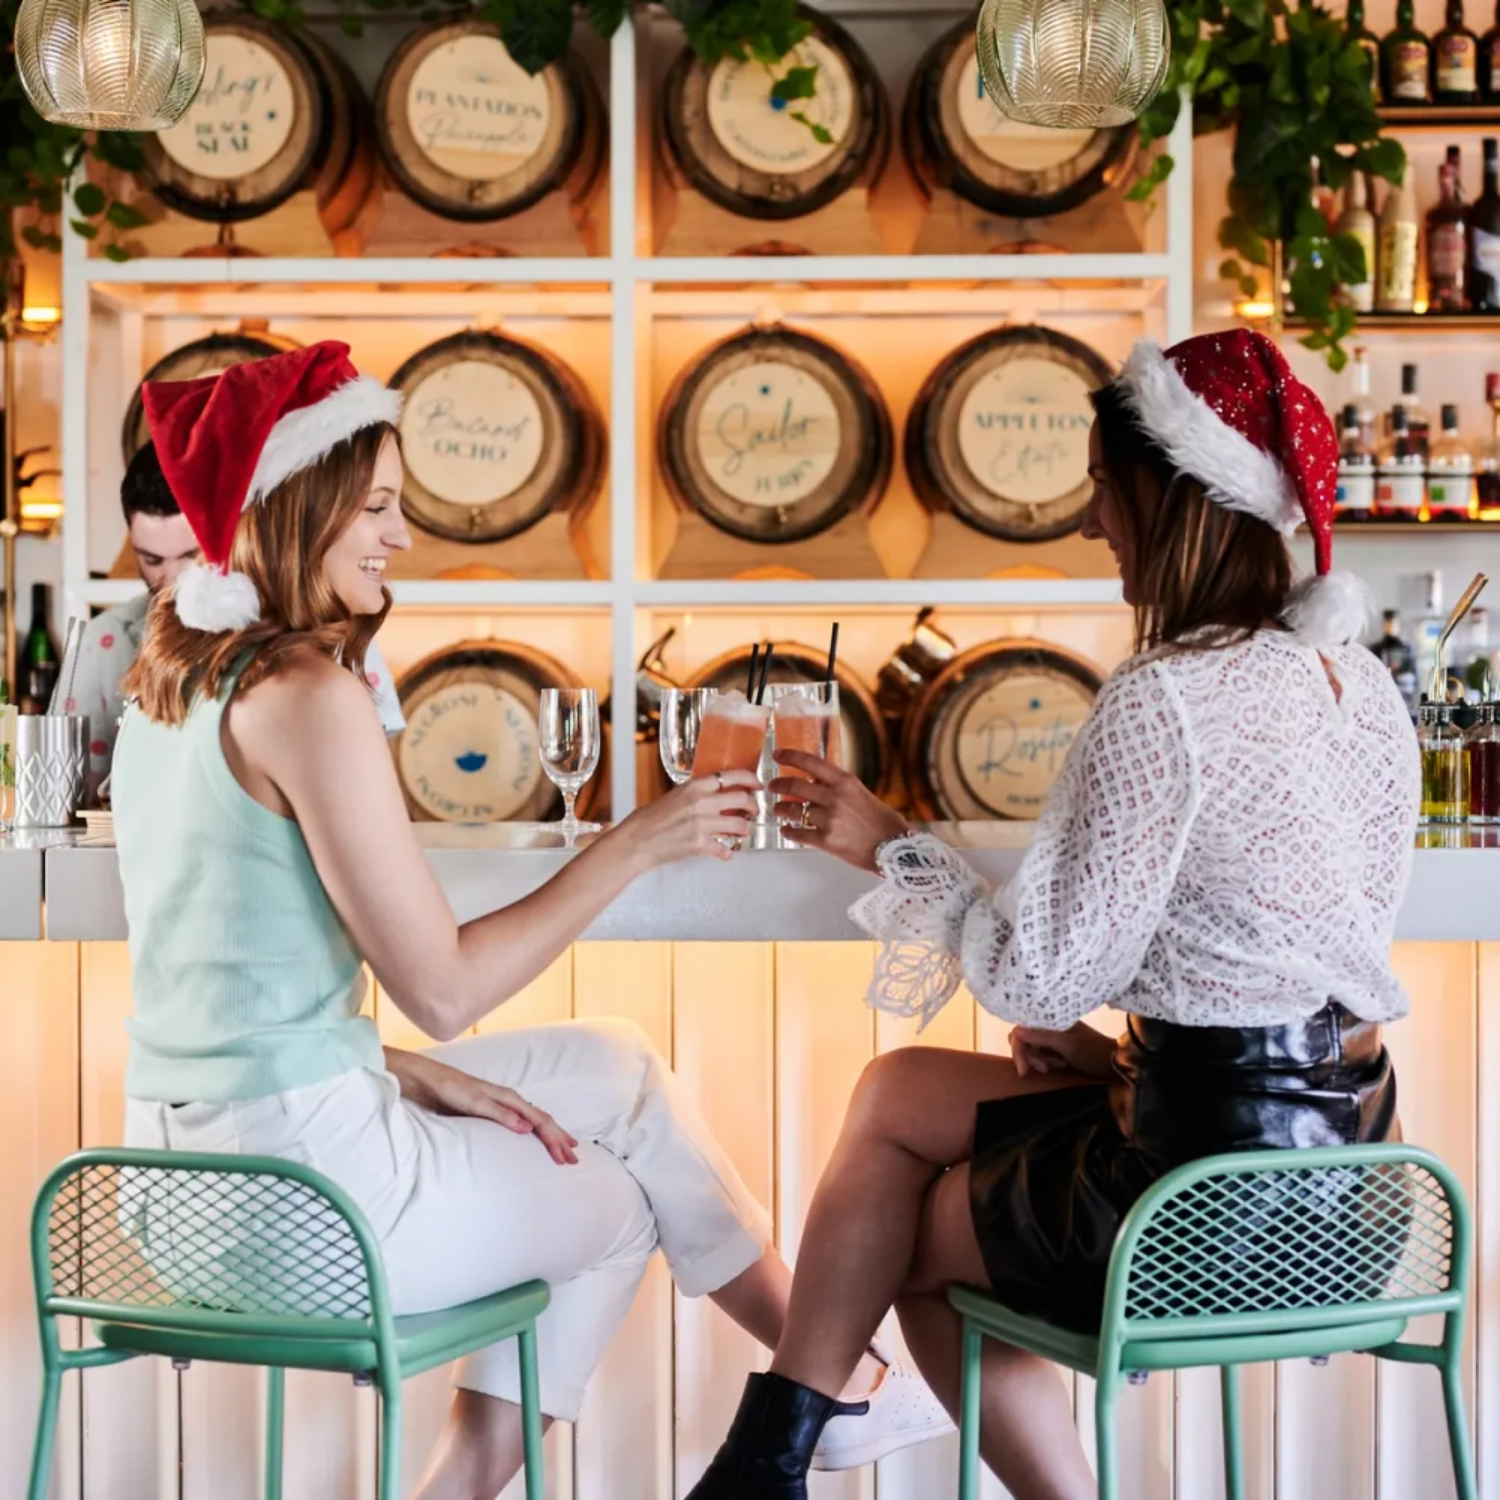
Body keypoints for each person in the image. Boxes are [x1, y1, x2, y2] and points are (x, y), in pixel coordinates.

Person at [110, 342, 949, 1500]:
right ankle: (490, 1485)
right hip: (304, 1202)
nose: (400, 538)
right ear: (295, 506)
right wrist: (636, 843)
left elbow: (229, 991)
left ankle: (840, 1387)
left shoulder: (170, 682)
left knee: (618, 1070)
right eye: (378, 507)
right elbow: (445, 989)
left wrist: (406, 1070)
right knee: (618, 1205)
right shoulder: (309, 695)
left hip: (173, 1182)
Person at [685, 329, 1418, 1500]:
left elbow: (1031, 981)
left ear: (1168, 498)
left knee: (918, 1238)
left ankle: (780, 1457)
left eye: (1100, 489)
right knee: (891, 1095)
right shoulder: (1360, 682)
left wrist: (888, 844)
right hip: (1356, 1184)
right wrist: (1127, 1056)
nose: (1087, 524)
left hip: (1205, 1201)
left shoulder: (1166, 698)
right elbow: (1303, 939)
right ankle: (768, 1459)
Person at [69, 440, 405, 804]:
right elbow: (80, 804)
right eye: (152, 560)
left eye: (190, 556)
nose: (171, 582)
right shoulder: (105, 642)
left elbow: (381, 796)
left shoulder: (332, 635)